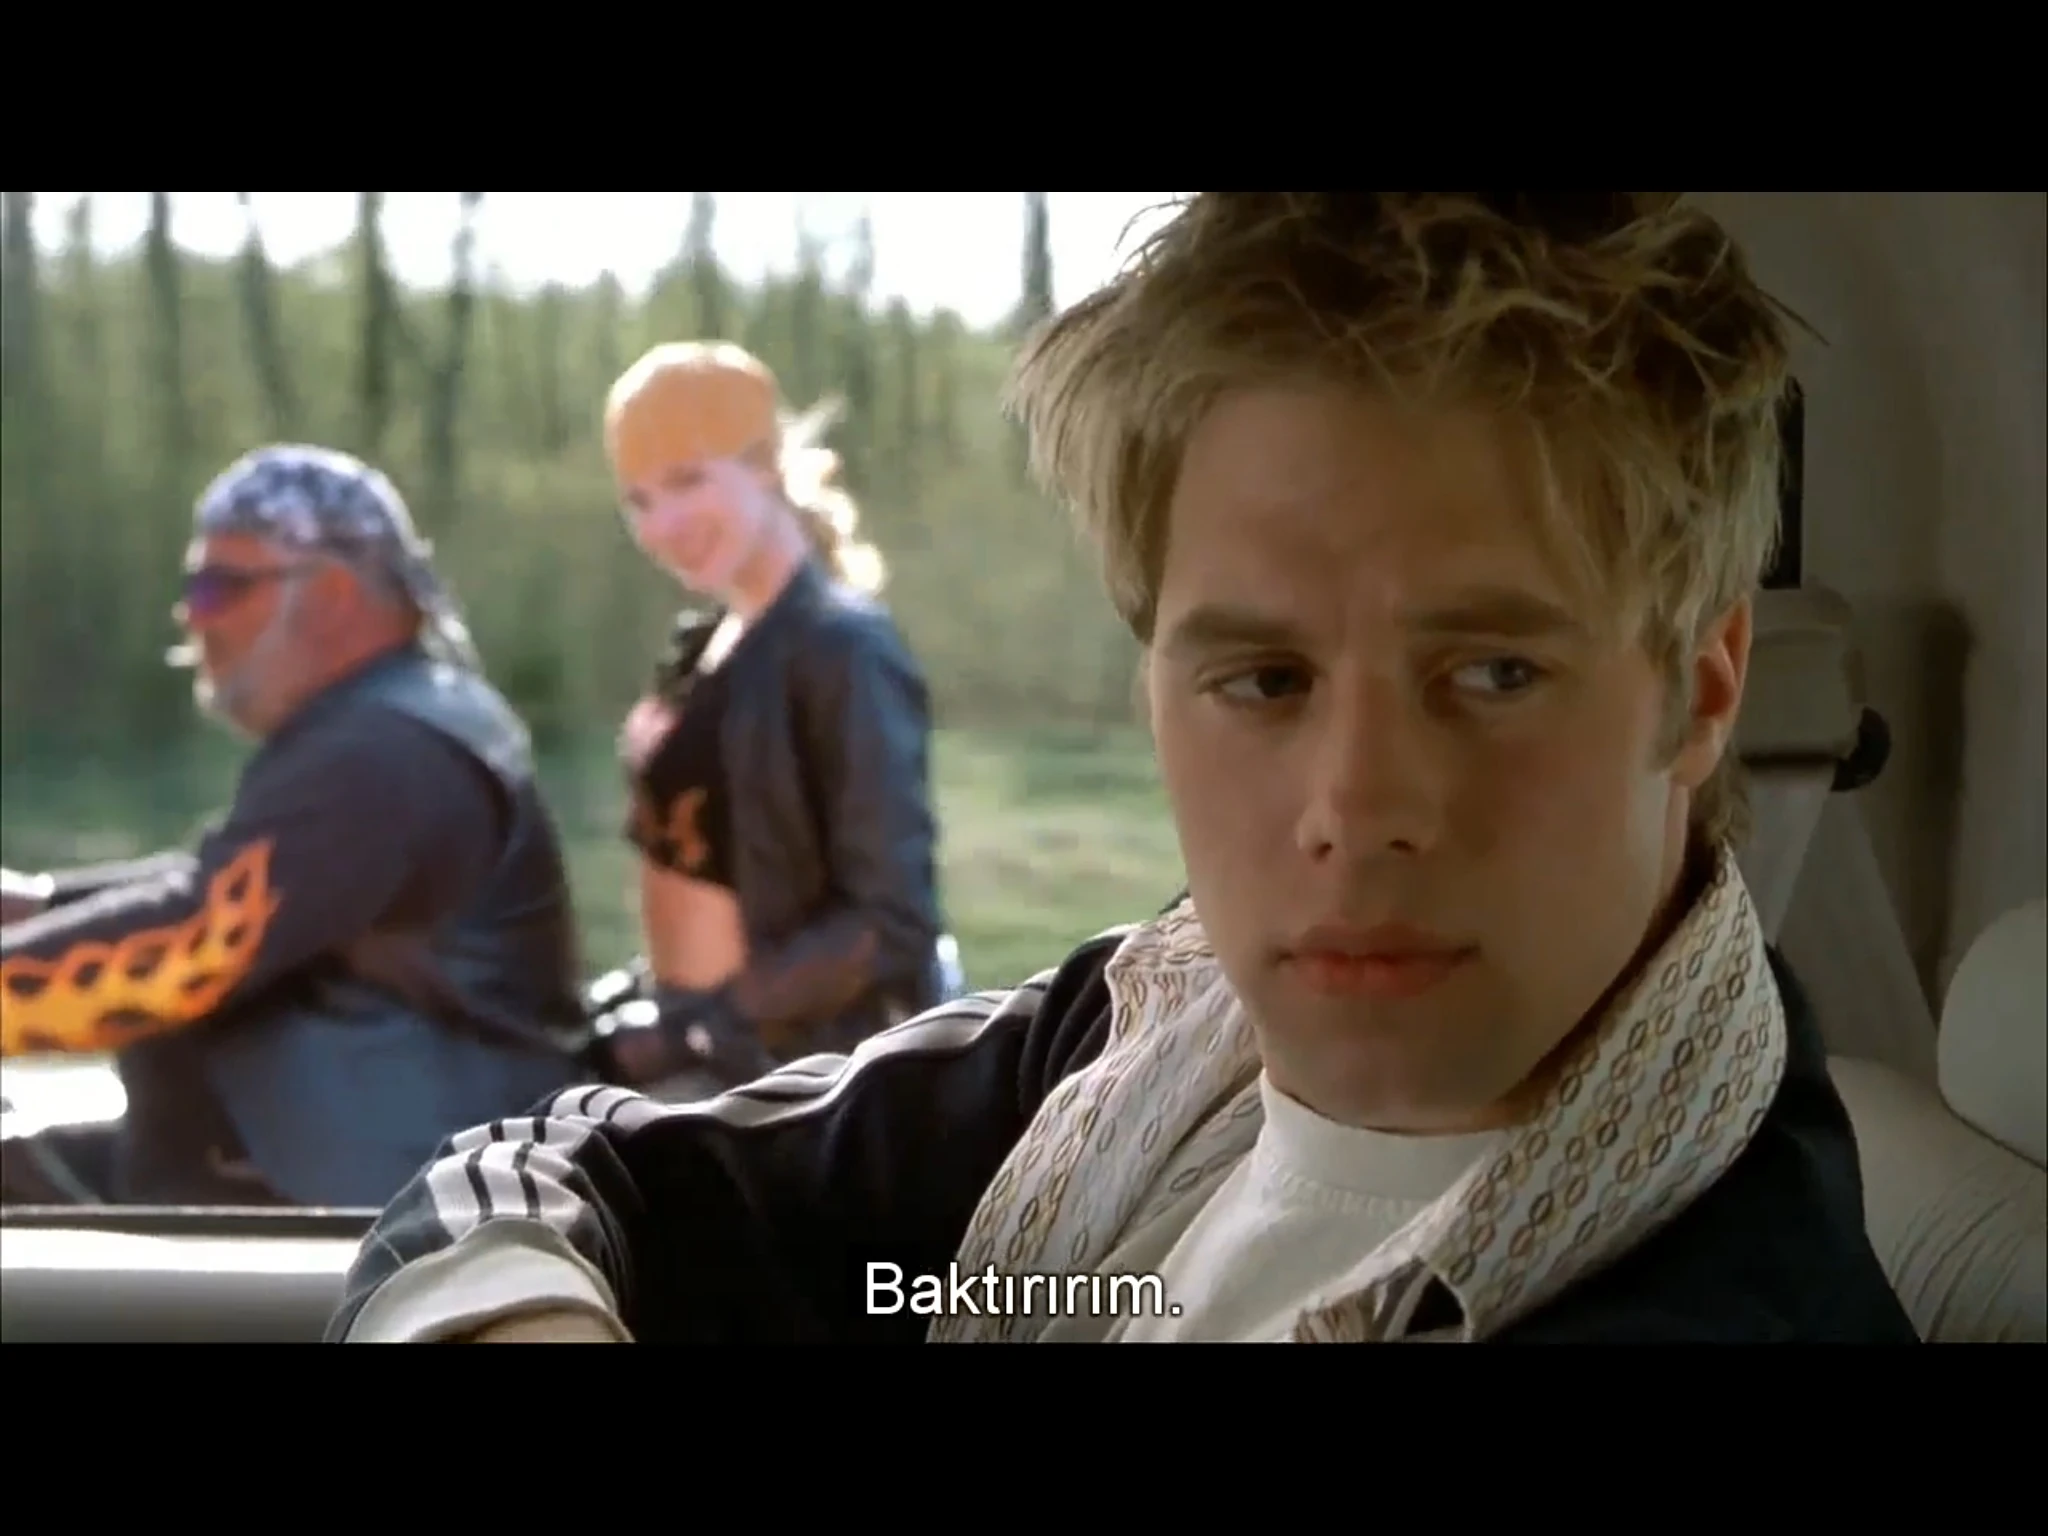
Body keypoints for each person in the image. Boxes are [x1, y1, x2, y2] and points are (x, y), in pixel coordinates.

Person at [326, 194, 1918, 1344]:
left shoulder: (1730, 1296)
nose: (1357, 810)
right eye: (1264, 680)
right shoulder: (1149, 1043)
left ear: (1700, 689)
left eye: (1495, 674)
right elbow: (544, 1171)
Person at [0, 444, 587, 1209]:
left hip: (397, 1215)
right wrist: (38, 904)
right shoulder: (405, 718)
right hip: (349, 1171)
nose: (192, 615)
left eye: (220, 587)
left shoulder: (377, 756)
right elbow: (231, 883)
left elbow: (192, 947)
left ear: (334, 594)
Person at [578, 341, 948, 1093]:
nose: (663, 523)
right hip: (700, 1057)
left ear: (766, 464)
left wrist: (701, 1028)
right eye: (639, 500)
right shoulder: (703, 647)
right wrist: (649, 999)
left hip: (795, 1086)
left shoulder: (842, 649)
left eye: (687, 481)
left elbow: (889, 924)